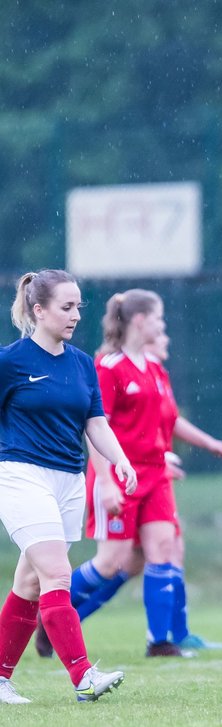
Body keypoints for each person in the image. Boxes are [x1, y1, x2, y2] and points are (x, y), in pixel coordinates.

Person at [41, 331, 222, 654]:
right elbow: (98, 425)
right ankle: (51, 613)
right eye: (158, 329)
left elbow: (166, 422)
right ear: (139, 327)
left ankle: (165, 637)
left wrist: (191, 449)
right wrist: (109, 478)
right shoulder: (111, 367)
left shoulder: (155, 371)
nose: (165, 337)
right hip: (123, 477)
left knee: (163, 551)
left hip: (152, 476)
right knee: (113, 562)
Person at [0, 270, 135, 704]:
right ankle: (83, 676)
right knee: (57, 573)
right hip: (21, 475)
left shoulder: (81, 363)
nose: (76, 314)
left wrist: (120, 460)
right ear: (38, 310)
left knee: (31, 583)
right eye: (66, 307)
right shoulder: (11, 361)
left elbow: (95, 421)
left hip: (67, 480)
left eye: (78, 306)